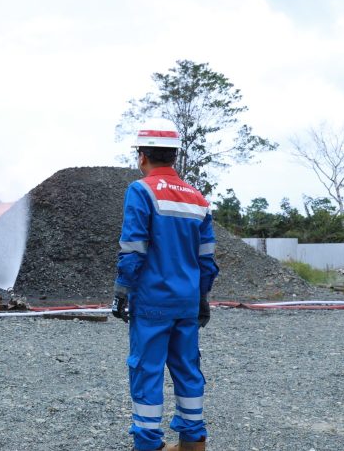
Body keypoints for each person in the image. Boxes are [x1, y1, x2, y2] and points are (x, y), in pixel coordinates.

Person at [111, 118, 220, 451]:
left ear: (142, 155)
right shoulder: (197, 199)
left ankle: (148, 444)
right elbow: (207, 259)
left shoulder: (140, 190)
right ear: (174, 155)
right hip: (187, 302)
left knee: (147, 370)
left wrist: (122, 290)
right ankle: (193, 441)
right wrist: (202, 296)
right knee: (187, 369)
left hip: (152, 301)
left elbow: (134, 247)